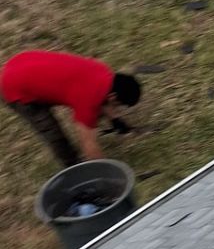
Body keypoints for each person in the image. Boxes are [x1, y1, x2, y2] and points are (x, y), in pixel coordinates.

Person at [1, 51, 143, 168]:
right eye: (119, 105)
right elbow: (88, 145)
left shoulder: (103, 71)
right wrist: (107, 172)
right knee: (52, 132)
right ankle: (73, 167)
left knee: (94, 108)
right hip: (15, 87)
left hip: (22, 61)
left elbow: (105, 101)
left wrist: (116, 120)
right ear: (113, 97)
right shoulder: (88, 100)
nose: (118, 108)